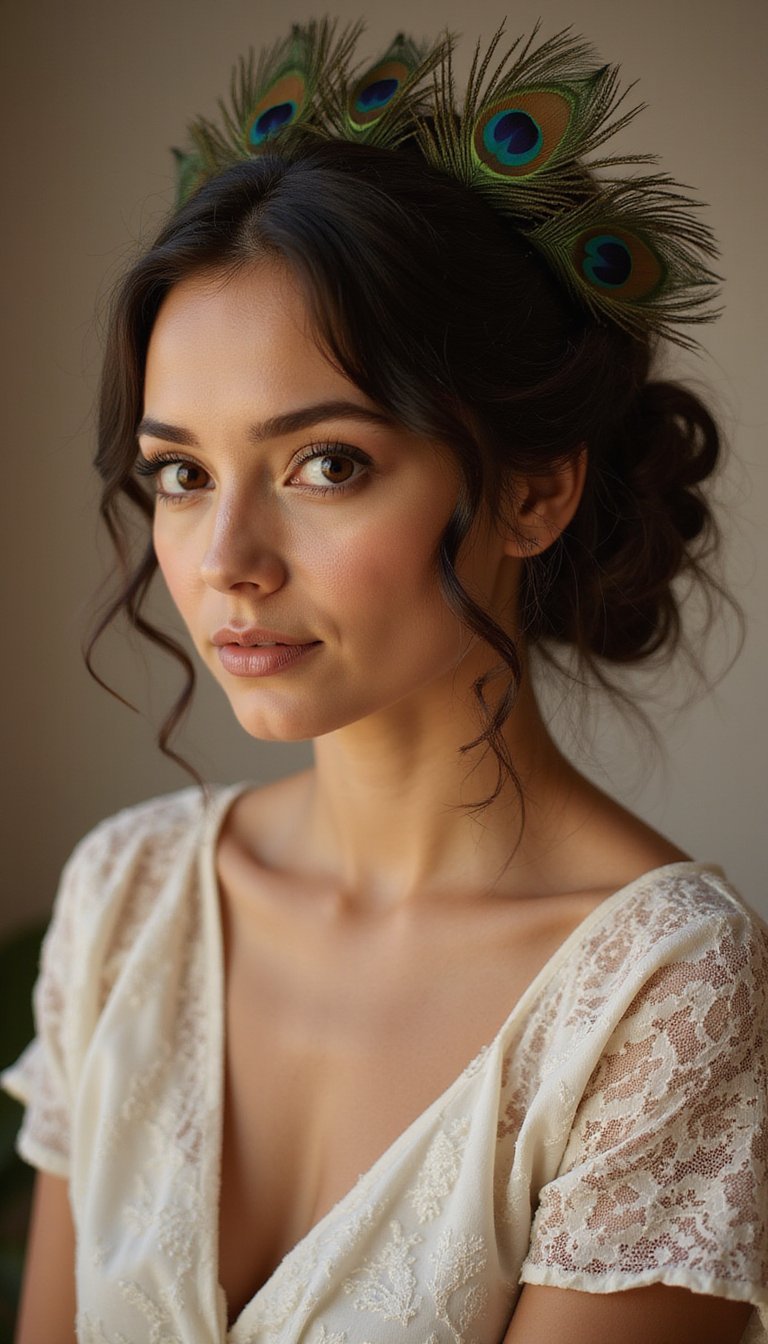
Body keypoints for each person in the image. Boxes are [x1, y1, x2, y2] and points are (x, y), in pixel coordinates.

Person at [3, 17, 766, 1344]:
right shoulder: (126, 901)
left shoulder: (664, 1001)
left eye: (326, 465)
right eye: (181, 472)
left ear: (533, 490)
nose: (225, 562)